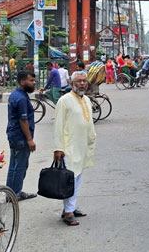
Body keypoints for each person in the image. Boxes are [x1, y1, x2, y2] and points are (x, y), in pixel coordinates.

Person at [53, 71, 97, 226]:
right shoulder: (64, 100)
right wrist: (58, 148)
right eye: (79, 81)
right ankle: (68, 213)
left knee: (77, 178)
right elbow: (58, 125)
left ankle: (70, 208)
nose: (82, 84)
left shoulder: (86, 100)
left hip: (82, 145)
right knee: (70, 179)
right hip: (69, 146)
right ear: (71, 83)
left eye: (84, 81)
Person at [5, 70, 37, 201]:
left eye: (34, 81)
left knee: (14, 165)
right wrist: (29, 139)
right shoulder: (21, 98)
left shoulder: (16, 94)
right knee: (20, 166)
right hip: (20, 137)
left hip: (14, 135)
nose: (34, 83)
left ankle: (10, 193)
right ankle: (16, 193)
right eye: (31, 80)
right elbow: (23, 120)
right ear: (22, 81)